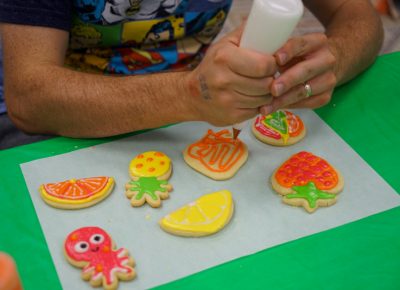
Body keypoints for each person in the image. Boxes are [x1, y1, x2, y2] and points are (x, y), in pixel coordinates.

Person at [0, 0, 383, 149]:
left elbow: (358, 17)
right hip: (59, 114)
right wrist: (188, 94)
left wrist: (335, 55)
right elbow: (31, 100)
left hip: (196, 111)